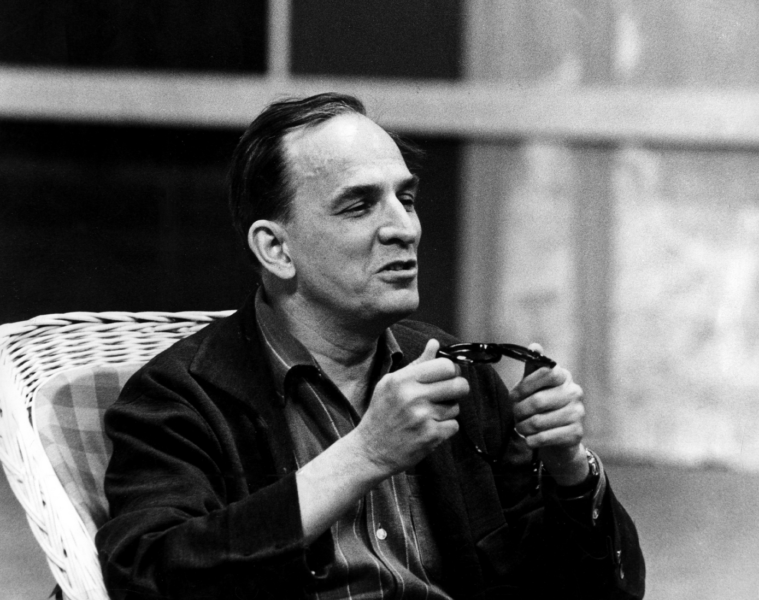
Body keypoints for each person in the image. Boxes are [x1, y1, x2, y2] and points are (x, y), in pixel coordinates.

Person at [95, 93, 645, 599]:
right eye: (359, 206)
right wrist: (366, 455)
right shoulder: (181, 395)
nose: (404, 228)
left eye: (406, 198)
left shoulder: (455, 374)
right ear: (276, 249)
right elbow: (149, 573)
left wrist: (570, 470)